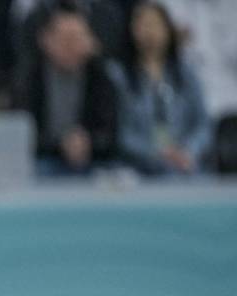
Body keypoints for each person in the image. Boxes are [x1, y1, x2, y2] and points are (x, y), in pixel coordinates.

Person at [109, 1, 212, 175]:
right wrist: (157, 154)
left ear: (168, 30)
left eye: (155, 24)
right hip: (139, 166)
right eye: (143, 25)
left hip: (185, 164)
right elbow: (120, 132)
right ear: (132, 30)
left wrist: (188, 151)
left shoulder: (187, 73)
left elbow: (202, 124)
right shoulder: (119, 75)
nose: (150, 31)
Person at [14, 6, 118, 174]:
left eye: (77, 39)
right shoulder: (29, 78)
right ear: (46, 40)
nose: (71, 47)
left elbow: (110, 134)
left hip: (93, 159)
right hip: (44, 158)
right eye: (65, 39)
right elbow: (21, 132)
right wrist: (60, 144)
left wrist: (88, 142)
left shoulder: (101, 77)